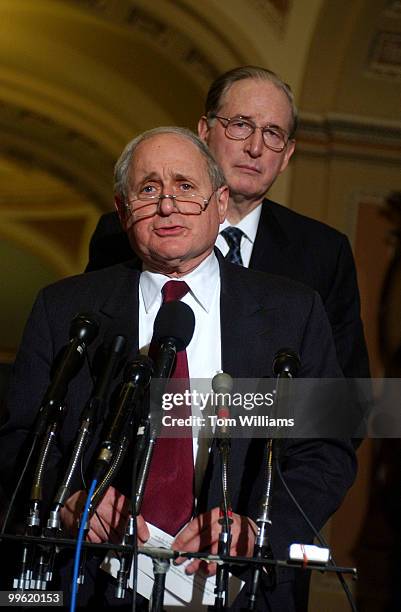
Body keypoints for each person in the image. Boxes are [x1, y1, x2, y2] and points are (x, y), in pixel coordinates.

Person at [0, 127, 356, 610]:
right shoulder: (64, 310)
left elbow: (324, 450)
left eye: (186, 187)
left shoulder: (291, 314)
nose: (167, 206)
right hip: (91, 581)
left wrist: (258, 526)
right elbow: (20, 435)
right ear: (124, 212)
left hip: (238, 588)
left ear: (220, 202)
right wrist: (70, 495)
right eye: (149, 190)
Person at [86, 66, 369, 381]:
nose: (255, 148)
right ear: (204, 132)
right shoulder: (127, 231)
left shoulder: (324, 252)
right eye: (240, 125)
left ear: (287, 154)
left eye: (272, 133)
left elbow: (345, 397)